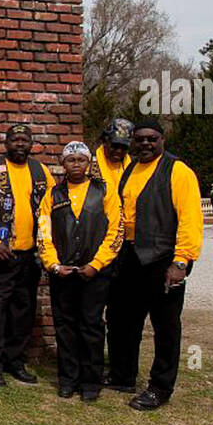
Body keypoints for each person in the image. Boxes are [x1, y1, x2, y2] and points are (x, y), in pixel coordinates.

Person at [105, 119, 203, 411]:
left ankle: (160, 387)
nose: (145, 144)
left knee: (165, 326)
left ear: (162, 140)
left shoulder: (178, 171)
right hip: (130, 256)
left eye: (152, 139)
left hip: (163, 258)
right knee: (122, 320)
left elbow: (190, 219)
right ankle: (122, 375)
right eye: (140, 139)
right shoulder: (131, 169)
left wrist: (181, 262)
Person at [37, 141, 123, 401]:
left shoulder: (105, 191)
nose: (76, 164)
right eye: (71, 160)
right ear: (63, 164)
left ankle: (90, 381)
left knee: (91, 327)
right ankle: (67, 379)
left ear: (88, 163)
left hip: (94, 274)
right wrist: (53, 265)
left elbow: (116, 231)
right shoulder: (53, 195)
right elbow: (44, 233)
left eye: (81, 160)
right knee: (65, 327)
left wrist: (96, 264)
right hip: (63, 273)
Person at [0, 124, 50, 386]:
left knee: (23, 311)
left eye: (24, 140)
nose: (20, 144)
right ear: (6, 143)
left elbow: (50, 212)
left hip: (29, 255)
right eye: (14, 139)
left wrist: (46, 247)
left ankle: (15, 361)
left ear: (31, 144)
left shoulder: (41, 171)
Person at [93, 118, 133, 193]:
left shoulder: (133, 166)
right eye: (115, 145)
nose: (119, 151)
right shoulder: (89, 165)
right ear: (105, 141)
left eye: (124, 147)